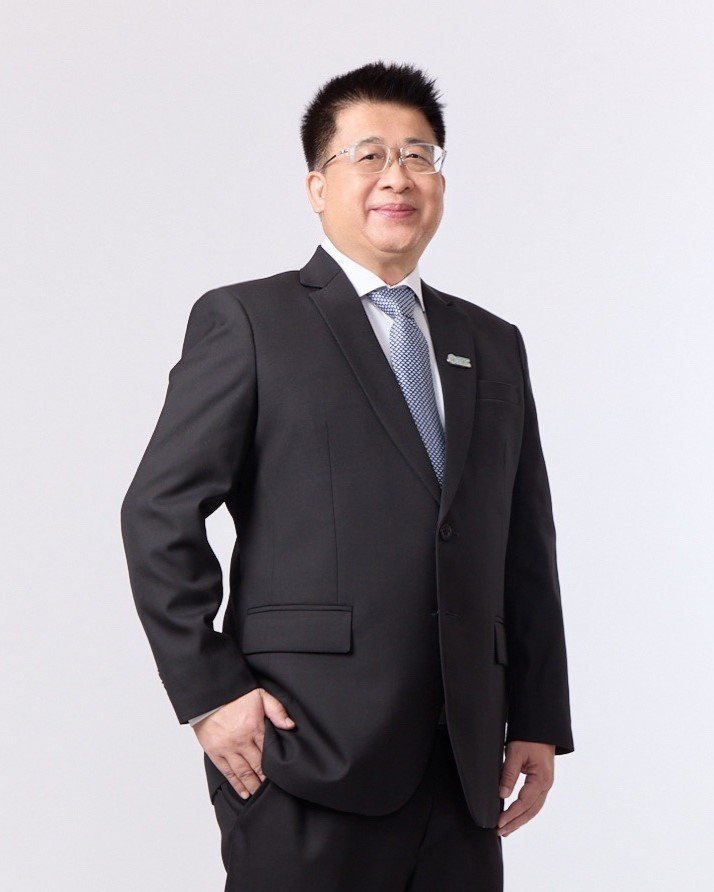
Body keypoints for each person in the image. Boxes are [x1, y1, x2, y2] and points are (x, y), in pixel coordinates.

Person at [120, 60, 574, 891]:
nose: (397, 177)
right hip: (306, 752)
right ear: (317, 187)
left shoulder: (492, 343)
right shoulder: (250, 321)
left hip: (463, 763)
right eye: (369, 156)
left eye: (419, 156)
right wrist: (212, 694)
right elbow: (157, 513)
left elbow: (522, 542)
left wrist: (539, 716)